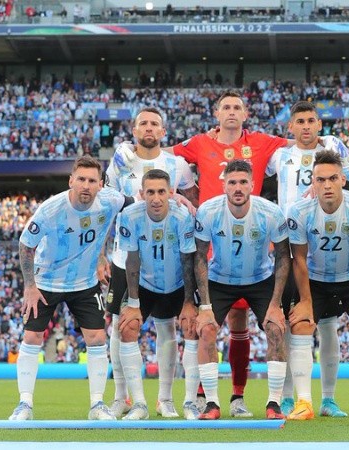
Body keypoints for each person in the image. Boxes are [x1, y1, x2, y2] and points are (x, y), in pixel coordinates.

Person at [113, 91, 348, 417]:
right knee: (199, 323)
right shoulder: (198, 143)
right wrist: (129, 150)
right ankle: (197, 397)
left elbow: (302, 140)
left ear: (245, 112)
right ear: (217, 112)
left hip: (254, 249)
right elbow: (162, 153)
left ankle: (238, 397)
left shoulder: (265, 143)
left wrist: (331, 140)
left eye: (237, 106)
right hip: (211, 250)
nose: (232, 112)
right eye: (226, 107)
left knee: (243, 324)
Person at [10, 156, 133, 420]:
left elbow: (137, 205)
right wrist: (30, 286)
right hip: (46, 282)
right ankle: (25, 405)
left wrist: (176, 199)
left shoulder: (111, 200)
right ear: (71, 181)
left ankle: (97, 405)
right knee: (32, 338)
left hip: (84, 282)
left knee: (97, 338)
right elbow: (25, 244)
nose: (86, 185)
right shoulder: (51, 209)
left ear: (100, 184)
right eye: (81, 179)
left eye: (91, 180)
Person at [266, 101, 349, 417]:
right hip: (289, 251)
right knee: (288, 327)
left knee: (327, 326)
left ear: (319, 124)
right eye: (300, 121)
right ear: (290, 127)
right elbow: (250, 170)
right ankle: (286, 398)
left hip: (327, 251)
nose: (306, 126)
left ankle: (328, 399)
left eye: (311, 120)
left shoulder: (334, 149)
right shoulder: (279, 156)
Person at [104, 107, 198, 419]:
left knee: (166, 326)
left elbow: (190, 202)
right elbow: (106, 205)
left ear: (162, 131)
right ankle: (122, 397)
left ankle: (165, 399)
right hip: (125, 256)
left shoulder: (176, 164)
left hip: (168, 259)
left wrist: (184, 200)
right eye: (143, 122)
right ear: (134, 129)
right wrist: (100, 256)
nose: (148, 127)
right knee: (120, 327)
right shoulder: (121, 160)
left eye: (154, 123)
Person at [285, 150, 349, 420]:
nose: (326, 185)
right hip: (315, 279)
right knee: (301, 325)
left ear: (342, 179)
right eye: (320, 180)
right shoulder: (299, 211)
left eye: (332, 179)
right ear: (312, 183)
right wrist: (305, 301)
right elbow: (300, 259)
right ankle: (304, 402)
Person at [192, 160, 291, 420]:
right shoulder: (208, 211)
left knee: (276, 328)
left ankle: (274, 404)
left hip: (259, 278)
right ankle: (212, 404)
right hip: (220, 278)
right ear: (224, 185)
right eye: (232, 182)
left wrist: (276, 303)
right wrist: (204, 306)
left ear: (253, 185)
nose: (238, 188)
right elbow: (200, 256)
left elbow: (283, 256)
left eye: (243, 182)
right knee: (206, 329)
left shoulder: (270, 212)